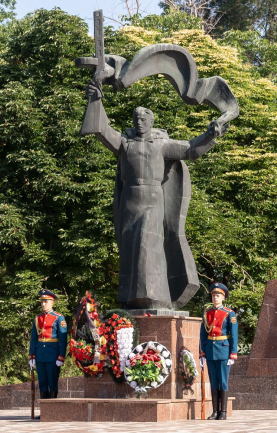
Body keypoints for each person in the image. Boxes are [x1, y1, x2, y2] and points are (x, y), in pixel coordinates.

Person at [85, 82, 229, 310]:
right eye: (136, 119)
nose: (139, 122)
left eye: (144, 119)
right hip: (129, 201)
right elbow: (102, 129)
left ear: (151, 122)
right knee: (130, 246)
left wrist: (210, 134)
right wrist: (96, 99)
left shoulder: (161, 145)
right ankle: (131, 299)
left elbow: (190, 149)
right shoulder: (125, 143)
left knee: (147, 241)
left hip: (153, 200)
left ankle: (154, 296)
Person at [199, 282, 238, 420]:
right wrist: (202, 353)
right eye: (213, 295)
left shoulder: (229, 313)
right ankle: (215, 411)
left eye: (218, 296)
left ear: (223, 298)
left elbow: (234, 335)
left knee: (223, 381)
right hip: (210, 350)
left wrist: (233, 354)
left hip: (223, 350)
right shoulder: (207, 313)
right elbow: (203, 334)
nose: (215, 298)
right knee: (213, 381)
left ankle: (223, 411)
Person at [29, 289, 68, 401]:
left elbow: (63, 339)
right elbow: (33, 338)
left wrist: (61, 356)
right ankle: (44, 410)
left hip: (53, 355)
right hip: (40, 355)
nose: (43, 304)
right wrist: (31, 355)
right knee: (42, 383)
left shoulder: (59, 317)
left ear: (52, 302)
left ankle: (52, 409)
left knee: (52, 383)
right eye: (42, 302)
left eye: (46, 302)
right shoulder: (38, 318)